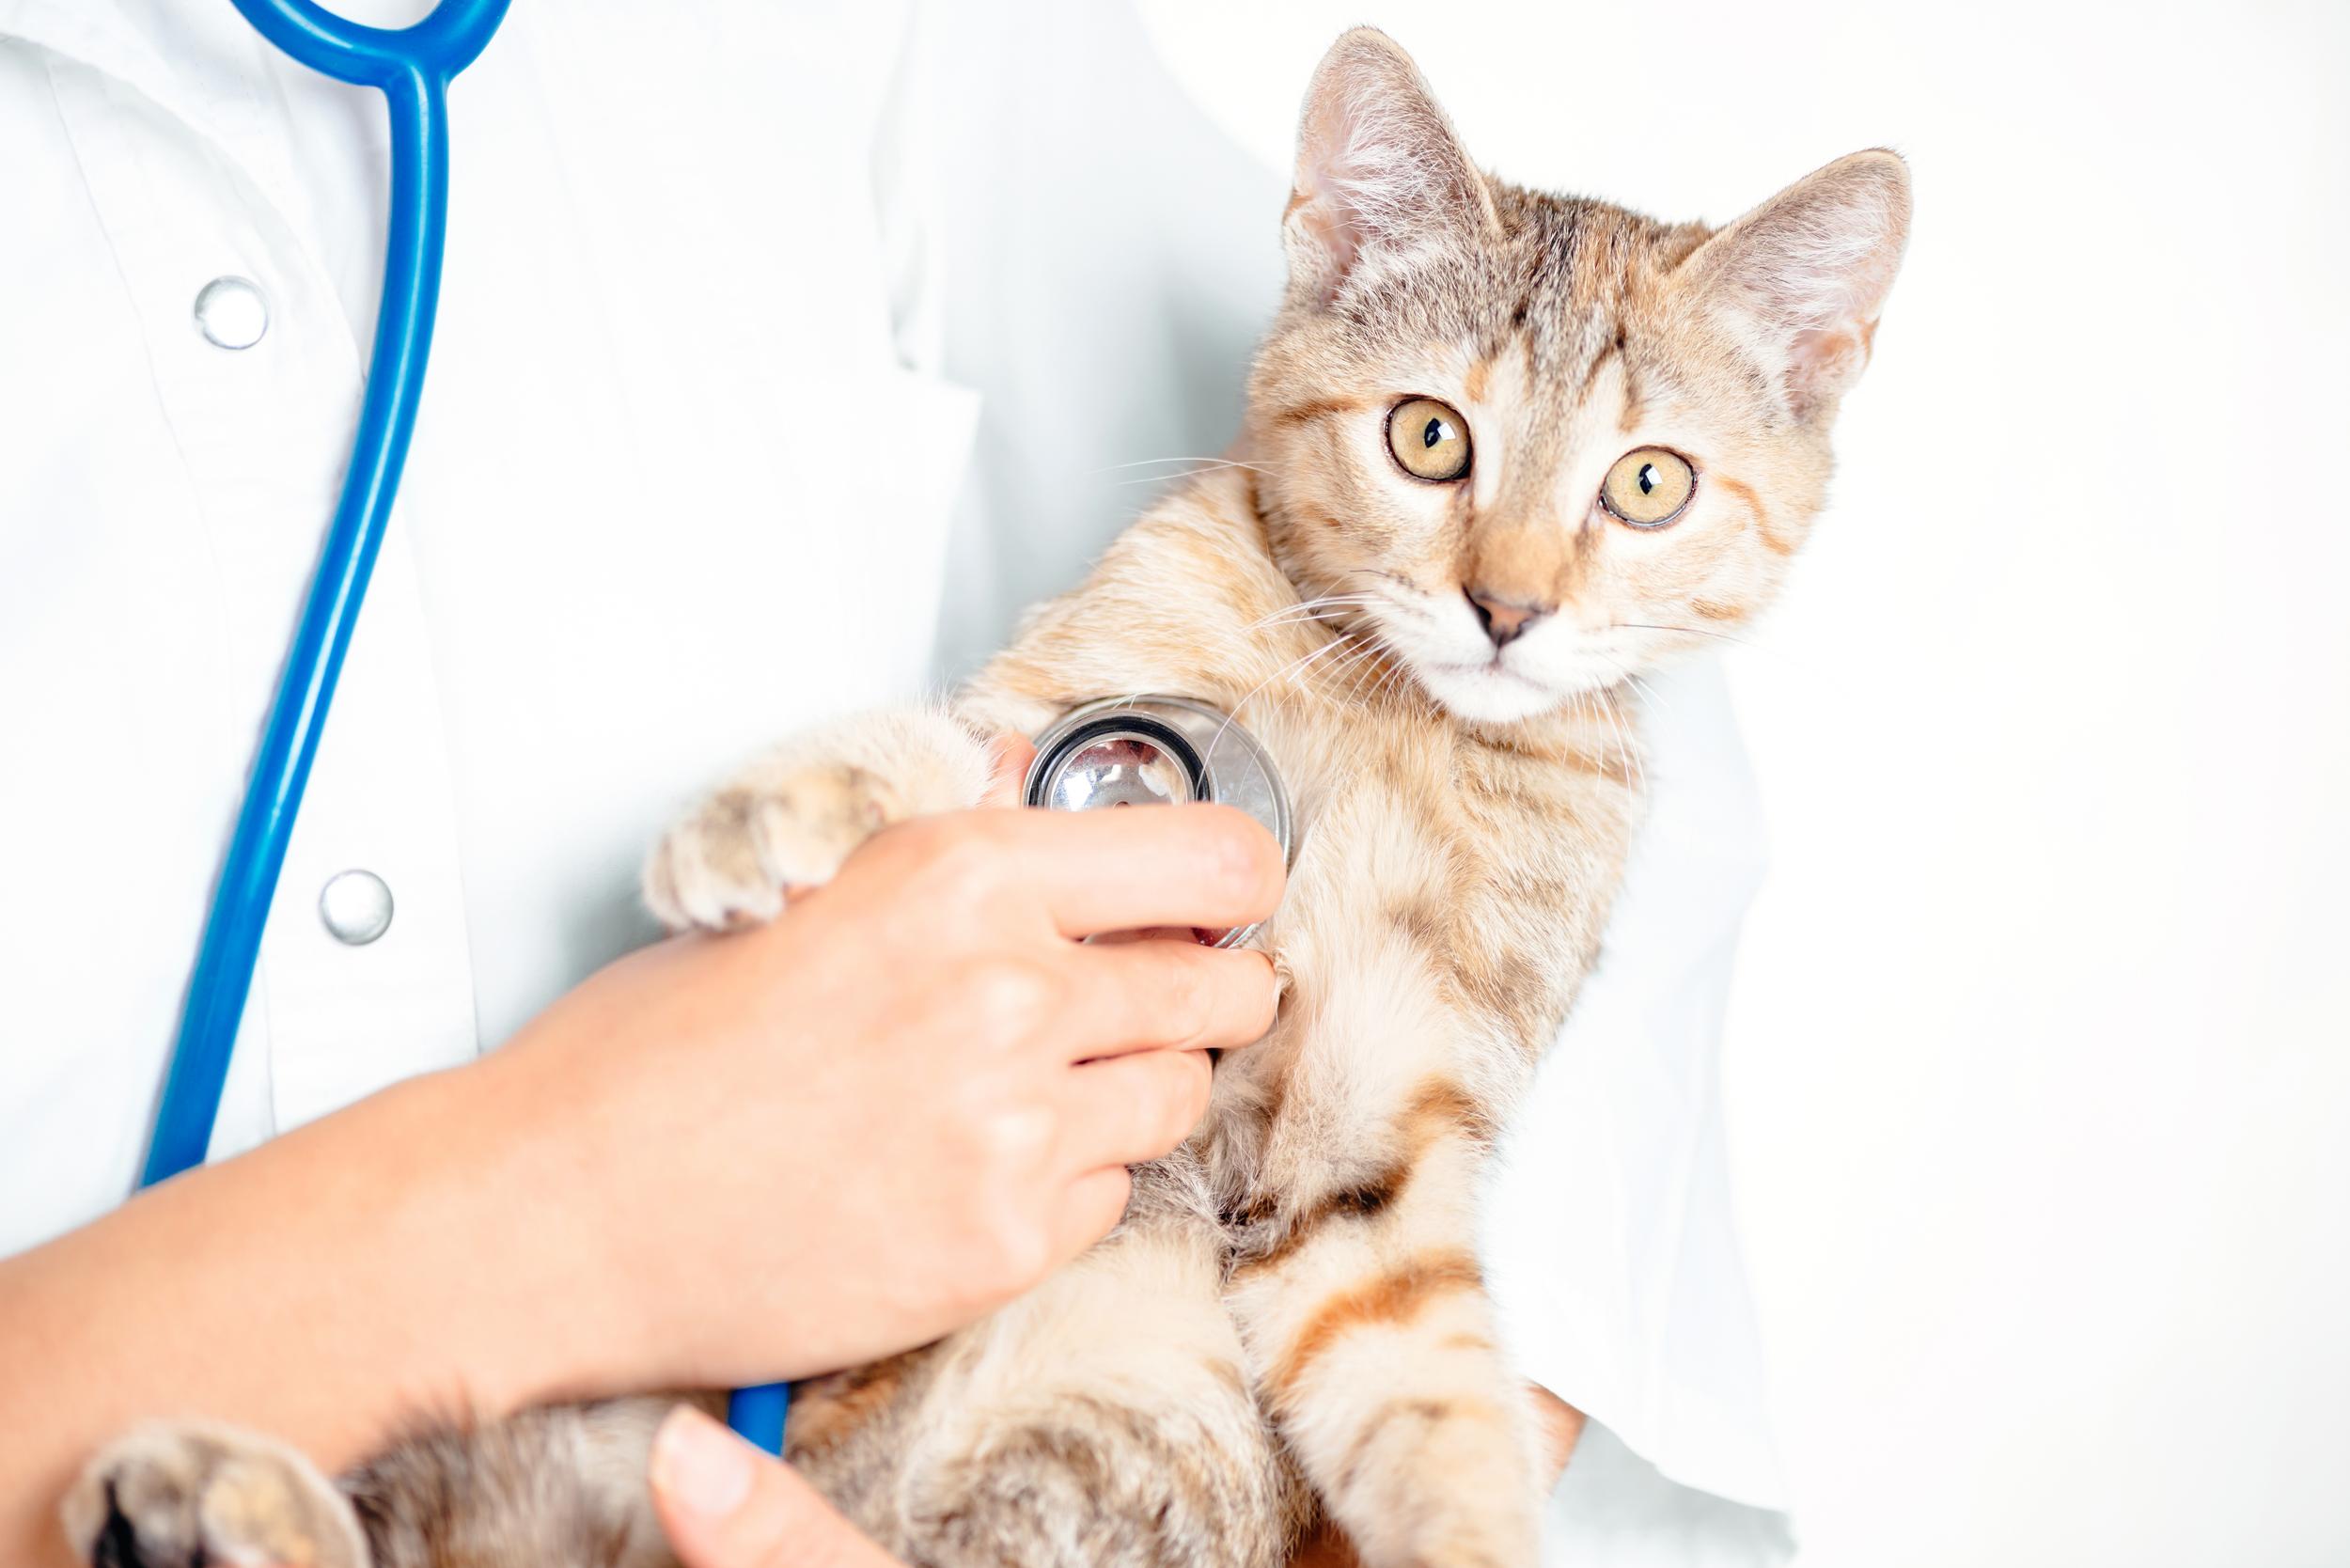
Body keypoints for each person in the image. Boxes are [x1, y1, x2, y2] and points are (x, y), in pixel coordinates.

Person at [0, 3, 1791, 1564]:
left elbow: (1585, 604)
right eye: (1442, 451)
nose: (1514, 580)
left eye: (1623, 499)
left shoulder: (900, 39)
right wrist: (569, 1199)